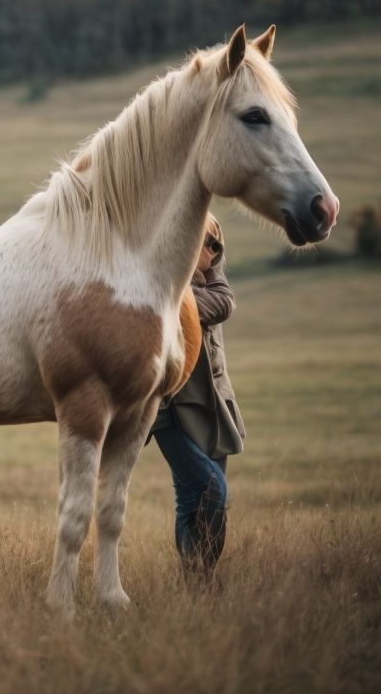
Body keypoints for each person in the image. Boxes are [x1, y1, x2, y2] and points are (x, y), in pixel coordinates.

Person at [150, 213, 246, 586]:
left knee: (194, 501)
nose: (211, 251)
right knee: (211, 489)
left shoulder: (210, 229)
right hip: (168, 404)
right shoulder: (157, 237)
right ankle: (202, 576)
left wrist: (180, 300)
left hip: (213, 398)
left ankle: (196, 582)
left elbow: (224, 301)